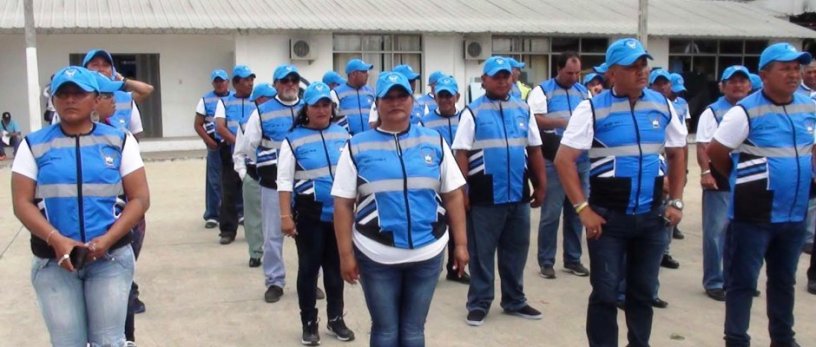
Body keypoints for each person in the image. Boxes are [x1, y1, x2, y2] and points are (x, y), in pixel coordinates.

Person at [555, 38, 687, 347]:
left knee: (642, 292)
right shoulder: (592, 108)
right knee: (605, 293)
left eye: (644, 64)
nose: (642, 72)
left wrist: (676, 200)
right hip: (608, 220)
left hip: (651, 218)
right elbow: (564, 160)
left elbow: (679, 152)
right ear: (612, 73)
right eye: (632, 66)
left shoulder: (661, 104)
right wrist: (583, 210)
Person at [11, 66, 150, 347]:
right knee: (67, 343)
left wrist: (108, 239)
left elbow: (140, 199)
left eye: (79, 93)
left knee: (109, 341)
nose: (70, 100)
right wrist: (56, 240)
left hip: (109, 259)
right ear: (54, 100)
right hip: (54, 262)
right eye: (63, 94)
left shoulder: (120, 141)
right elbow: (21, 202)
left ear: (96, 99)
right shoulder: (33, 145)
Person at [332, 71, 468, 347]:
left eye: (402, 96)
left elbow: (453, 195)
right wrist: (346, 255)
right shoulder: (356, 146)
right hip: (377, 254)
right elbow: (343, 204)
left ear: (412, 101)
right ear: (378, 104)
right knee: (385, 330)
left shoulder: (433, 141)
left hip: (427, 252)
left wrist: (461, 245)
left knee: (414, 330)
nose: (396, 102)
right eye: (388, 97)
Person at [706, 42, 815, 347]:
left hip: (793, 215)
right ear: (765, 75)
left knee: (784, 282)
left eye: (797, 68)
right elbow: (716, 152)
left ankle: (783, 338)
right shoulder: (745, 111)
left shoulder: (809, 106)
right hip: (752, 217)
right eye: (786, 69)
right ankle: (737, 339)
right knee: (742, 283)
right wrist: (742, 181)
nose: (794, 75)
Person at [454, 56, 547, 326]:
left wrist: (541, 185)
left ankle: (514, 300)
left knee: (516, 250)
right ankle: (479, 303)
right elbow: (461, 154)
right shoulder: (473, 112)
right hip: (484, 194)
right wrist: (462, 191)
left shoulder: (523, 109)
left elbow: (535, 149)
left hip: (517, 192)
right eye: (496, 76)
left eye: (506, 76)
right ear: (484, 80)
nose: (502, 80)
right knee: (482, 253)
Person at [277, 82, 354, 346]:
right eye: (316, 105)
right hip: (310, 215)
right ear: (306, 109)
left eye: (326, 105)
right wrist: (285, 216)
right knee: (309, 270)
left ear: (332, 108)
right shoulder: (293, 139)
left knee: (335, 269)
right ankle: (309, 323)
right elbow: (285, 182)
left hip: (340, 215)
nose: (321, 110)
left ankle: (336, 318)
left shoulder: (344, 135)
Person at [239, 64, 305, 303]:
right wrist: (266, 167)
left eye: (293, 80)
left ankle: (307, 281)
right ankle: (275, 281)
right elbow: (249, 146)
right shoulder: (262, 111)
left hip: (304, 184)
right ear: (276, 84)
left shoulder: (308, 108)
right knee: (272, 235)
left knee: (307, 236)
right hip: (273, 184)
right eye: (284, 81)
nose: (289, 84)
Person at [527, 51, 591, 279]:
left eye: (577, 73)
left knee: (578, 212)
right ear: (558, 69)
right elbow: (533, 118)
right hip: (554, 161)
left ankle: (573, 259)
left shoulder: (583, 92)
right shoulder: (542, 91)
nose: (574, 77)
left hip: (581, 162)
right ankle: (546, 261)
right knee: (551, 213)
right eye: (569, 72)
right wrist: (563, 121)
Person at [695, 65, 752, 302]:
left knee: (741, 233)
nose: (738, 85)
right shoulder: (713, 112)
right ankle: (714, 281)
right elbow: (702, 146)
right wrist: (706, 172)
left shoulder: (753, 109)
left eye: (742, 81)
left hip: (747, 178)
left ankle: (735, 279)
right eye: (732, 81)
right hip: (719, 178)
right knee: (716, 232)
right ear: (722, 86)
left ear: (750, 85)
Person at [420, 76, 471, 284]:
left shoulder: (466, 119)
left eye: (449, 96)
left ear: (457, 96)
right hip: (436, 181)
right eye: (441, 95)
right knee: (438, 223)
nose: (445, 100)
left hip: (461, 180)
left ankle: (455, 267)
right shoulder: (425, 122)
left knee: (458, 222)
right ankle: (433, 267)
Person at [233, 82, 278, 268]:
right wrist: (244, 174)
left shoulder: (279, 118)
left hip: (276, 177)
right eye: (269, 97)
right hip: (253, 176)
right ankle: (256, 252)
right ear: (259, 100)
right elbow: (239, 152)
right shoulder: (246, 121)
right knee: (253, 218)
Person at [214, 65, 255, 245]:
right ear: (236, 83)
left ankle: (255, 232)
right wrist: (239, 143)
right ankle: (228, 231)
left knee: (254, 194)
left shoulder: (258, 101)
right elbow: (220, 127)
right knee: (229, 192)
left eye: (251, 79)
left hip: (254, 155)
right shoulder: (224, 102)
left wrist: (248, 147)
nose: (250, 83)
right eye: (245, 80)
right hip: (230, 153)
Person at [194, 69, 232, 229]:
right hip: (215, 145)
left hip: (231, 145)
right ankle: (212, 215)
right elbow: (198, 124)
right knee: (214, 180)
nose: (220, 84)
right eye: (216, 81)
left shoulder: (234, 99)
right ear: (212, 83)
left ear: (227, 82)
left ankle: (238, 212)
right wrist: (209, 141)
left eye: (222, 81)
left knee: (234, 180)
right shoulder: (205, 100)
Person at [331, 59, 375, 135]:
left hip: (370, 139)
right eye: (364, 72)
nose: (367, 74)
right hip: (347, 140)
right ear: (353, 74)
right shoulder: (336, 93)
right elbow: (331, 120)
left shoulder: (372, 91)